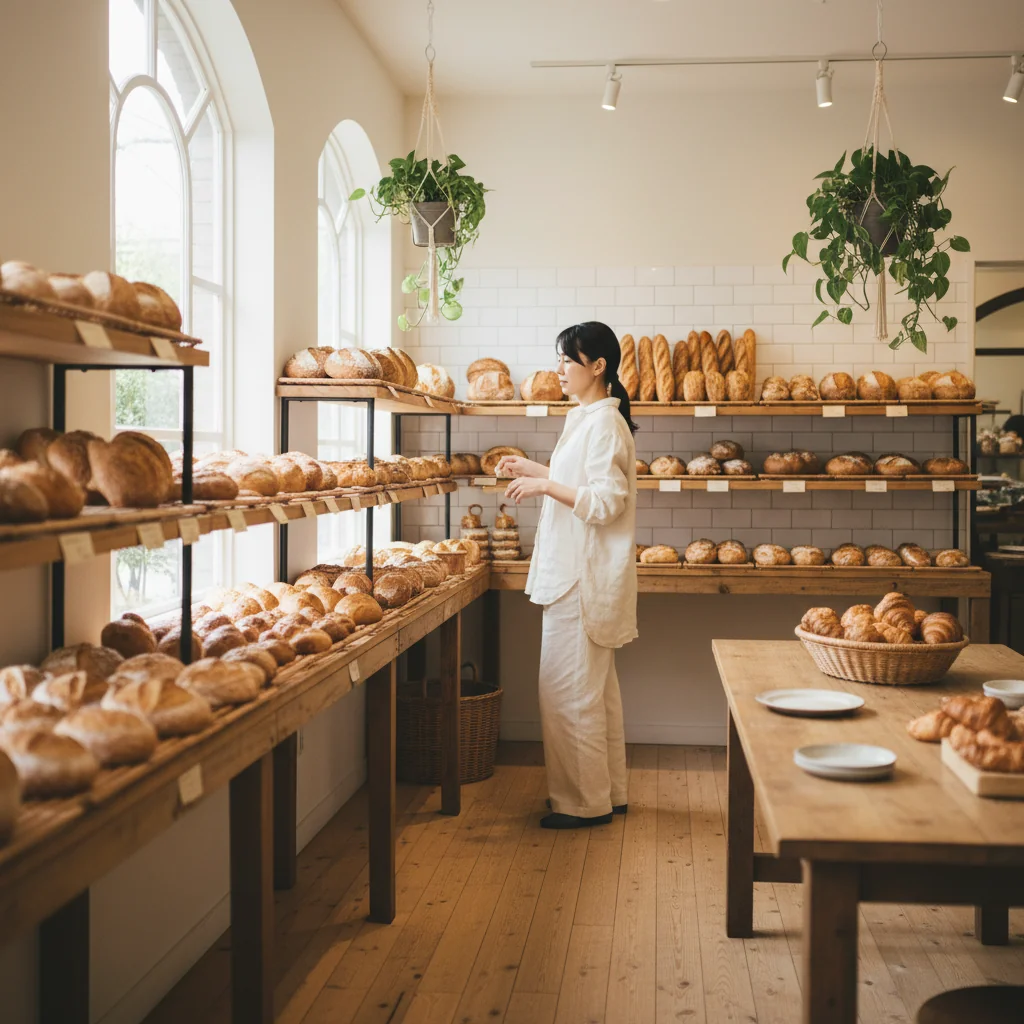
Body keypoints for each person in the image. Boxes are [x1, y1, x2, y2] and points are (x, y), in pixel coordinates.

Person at [497, 322, 638, 829]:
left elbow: (603, 501)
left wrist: (544, 490)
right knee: (596, 694)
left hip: (582, 579)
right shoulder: (588, 417)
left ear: (597, 367)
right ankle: (609, 793)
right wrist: (535, 470)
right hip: (576, 572)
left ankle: (583, 805)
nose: (558, 370)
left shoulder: (603, 424)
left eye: (567, 361)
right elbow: (581, 480)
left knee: (566, 694)